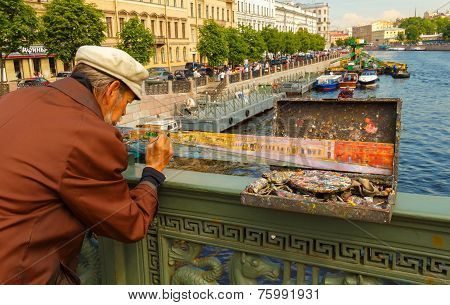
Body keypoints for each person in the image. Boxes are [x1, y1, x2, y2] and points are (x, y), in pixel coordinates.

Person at [0, 46, 173, 284]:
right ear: (112, 90)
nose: (123, 114)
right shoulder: (90, 133)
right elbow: (128, 223)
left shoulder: (13, 98)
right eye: (128, 102)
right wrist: (153, 173)